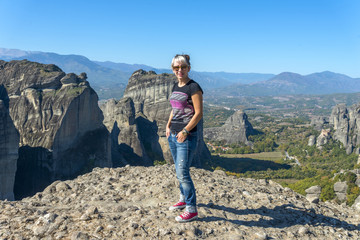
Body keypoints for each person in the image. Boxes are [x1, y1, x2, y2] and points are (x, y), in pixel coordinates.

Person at [166, 54, 203, 222]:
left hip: (186, 137)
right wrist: (168, 125)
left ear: (189, 68)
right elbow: (174, 108)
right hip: (173, 134)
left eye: (182, 67)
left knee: (183, 173)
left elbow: (198, 113)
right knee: (178, 171)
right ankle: (182, 199)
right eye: (176, 68)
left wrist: (185, 131)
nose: (179, 70)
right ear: (173, 69)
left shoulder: (193, 87)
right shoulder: (176, 85)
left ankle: (191, 209)